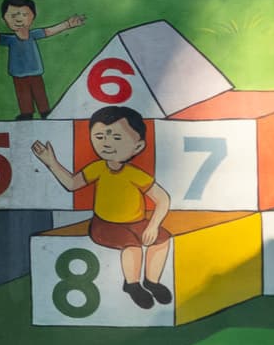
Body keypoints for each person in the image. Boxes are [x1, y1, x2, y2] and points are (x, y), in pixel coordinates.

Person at [32, 105, 174, 310]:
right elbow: (72, 184)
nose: (107, 144)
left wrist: (153, 226)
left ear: (138, 146)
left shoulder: (135, 174)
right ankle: (132, 284)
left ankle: (152, 281)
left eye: (117, 138)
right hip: (105, 225)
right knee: (132, 246)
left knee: (162, 239)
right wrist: (51, 163)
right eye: (99, 137)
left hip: (137, 223)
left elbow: (163, 199)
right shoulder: (97, 168)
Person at [0, 0, 86, 119]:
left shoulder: (34, 34)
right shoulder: (10, 39)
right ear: (4, 19)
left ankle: (45, 112)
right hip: (18, 74)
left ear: (32, 17)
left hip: (35, 72)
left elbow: (50, 30)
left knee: (39, 94)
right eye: (12, 15)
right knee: (23, 96)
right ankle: (26, 114)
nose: (18, 19)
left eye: (24, 14)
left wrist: (68, 24)